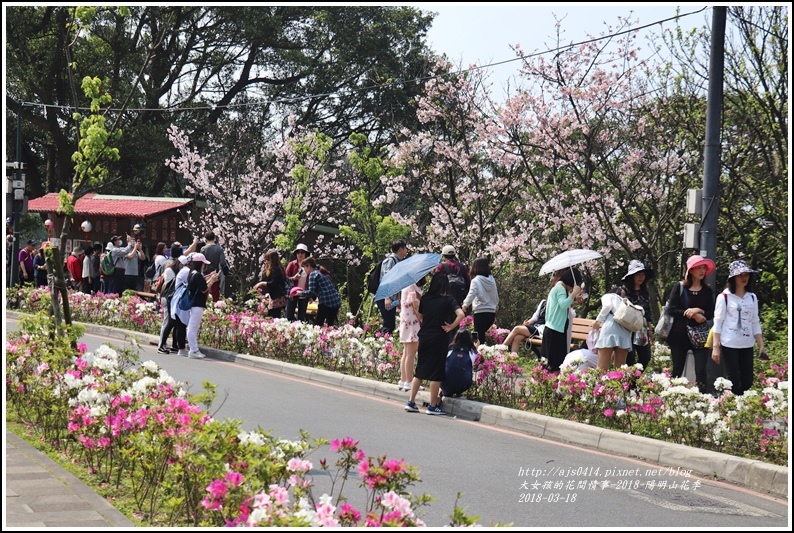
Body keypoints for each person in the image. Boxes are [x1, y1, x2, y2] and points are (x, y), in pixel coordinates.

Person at [405, 272, 464, 416]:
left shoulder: (426, 298)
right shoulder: (449, 299)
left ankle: (411, 402)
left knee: (420, 370)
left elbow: (421, 316)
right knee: (436, 372)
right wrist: (451, 326)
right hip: (440, 337)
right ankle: (432, 406)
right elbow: (461, 314)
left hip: (424, 336)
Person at [712, 260, 766, 395]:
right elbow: (718, 323)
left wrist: (761, 346)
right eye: (740, 275)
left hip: (747, 344)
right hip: (729, 343)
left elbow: (755, 322)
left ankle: (740, 406)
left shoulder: (752, 297)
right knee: (733, 381)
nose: (744, 278)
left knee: (747, 381)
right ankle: (731, 409)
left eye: (746, 275)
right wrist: (715, 347)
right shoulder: (724, 297)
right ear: (733, 278)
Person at [666, 255, 716, 394]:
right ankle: (672, 397)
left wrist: (699, 311)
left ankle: (703, 399)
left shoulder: (707, 290)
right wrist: (691, 314)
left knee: (701, 369)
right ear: (691, 270)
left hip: (699, 335)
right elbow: (671, 310)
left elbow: (711, 312)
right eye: (698, 268)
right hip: (679, 335)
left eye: (703, 268)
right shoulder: (680, 287)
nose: (701, 271)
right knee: (677, 368)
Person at [540, 267, 583, 372]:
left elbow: (561, 306)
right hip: (554, 330)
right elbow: (563, 305)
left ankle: (547, 384)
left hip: (555, 329)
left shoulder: (560, 288)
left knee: (551, 363)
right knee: (553, 365)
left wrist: (574, 300)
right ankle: (550, 385)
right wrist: (573, 294)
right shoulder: (560, 288)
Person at [621, 260, 655, 369]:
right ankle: (630, 384)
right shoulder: (624, 291)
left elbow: (647, 310)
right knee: (629, 359)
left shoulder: (645, 291)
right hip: (628, 329)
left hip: (642, 328)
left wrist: (649, 328)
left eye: (643, 274)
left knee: (645, 357)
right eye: (638, 274)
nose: (641, 277)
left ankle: (635, 380)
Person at [184, 252, 219, 359]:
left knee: (192, 327)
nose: (205, 265)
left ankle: (193, 349)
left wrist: (209, 278)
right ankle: (193, 350)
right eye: (203, 263)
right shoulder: (198, 275)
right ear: (200, 264)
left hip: (193, 303)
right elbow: (204, 289)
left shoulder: (192, 273)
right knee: (193, 327)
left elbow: (201, 285)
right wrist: (212, 280)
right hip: (197, 303)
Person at [591, 285, 633, 371]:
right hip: (625, 333)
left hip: (610, 330)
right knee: (620, 371)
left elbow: (607, 306)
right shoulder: (627, 302)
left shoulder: (609, 296)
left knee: (601, 369)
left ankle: (600, 384)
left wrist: (598, 321)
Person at [461, 257, 499, 344]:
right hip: (491, 312)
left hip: (480, 311)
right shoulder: (492, 280)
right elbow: (495, 295)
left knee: (477, 336)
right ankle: (483, 352)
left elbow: (472, 294)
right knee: (481, 335)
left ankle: (478, 354)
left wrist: (465, 304)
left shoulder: (476, 280)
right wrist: (495, 306)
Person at [397, 277, 426, 391]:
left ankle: (403, 380)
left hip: (406, 322)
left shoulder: (406, 285)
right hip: (413, 323)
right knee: (411, 354)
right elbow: (415, 305)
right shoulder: (412, 287)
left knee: (406, 353)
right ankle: (409, 381)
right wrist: (421, 318)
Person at [376, 239, 408, 334]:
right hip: (385, 297)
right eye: (405, 248)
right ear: (400, 249)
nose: (406, 250)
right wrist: (387, 297)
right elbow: (386, 279)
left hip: (392, 298)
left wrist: (398, 298)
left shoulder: (398, 262)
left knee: (391, 324)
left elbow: (397, 282)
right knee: (388, 325)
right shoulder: (390, 261)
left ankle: (386, 345)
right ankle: (384, 346)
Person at [156, 243, 182, 354]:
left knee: (173, 321)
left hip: (170, 297)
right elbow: (170, 285)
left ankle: (173, 345)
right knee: (168, 321)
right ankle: (161, 345)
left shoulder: (167, 265)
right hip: (168, 297)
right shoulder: (170, 268)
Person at [301, 256, 342, 326]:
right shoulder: (321, 272)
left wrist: (300, 293)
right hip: (336, 301)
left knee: (318, 326)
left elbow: (311, 292)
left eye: (304, 267)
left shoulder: (313, 274)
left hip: (326, 302)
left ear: (309, 266)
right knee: (330, 326)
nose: (304, 269)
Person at [440, 328, 479, 399]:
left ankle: (446, 391)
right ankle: (458, 392)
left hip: (446, 384)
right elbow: (476, 361)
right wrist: (476, 347)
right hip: (464, 384)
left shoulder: (450, 349)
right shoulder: (473, 352)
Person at [254, 249, 288, 318]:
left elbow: (273, 283)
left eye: (268, 260)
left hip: (277, 297)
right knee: (272, 316)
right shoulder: (276, 268)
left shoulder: (276, 270)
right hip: (275, 296)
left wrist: (261, 283)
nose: (266, 262)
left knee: (273, 316)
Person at [200, 231, 228, 302]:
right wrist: (226, 271)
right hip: (215, 274)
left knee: (205, 292)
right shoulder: (219, 249)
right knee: (215, 294)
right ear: (214, 238)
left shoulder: (203, 249)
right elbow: (222, 262)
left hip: (205, 274)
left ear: (205, 239)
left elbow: (201, 262)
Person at [285, 244, 310, 321]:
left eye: (302, 252)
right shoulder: (292, 264)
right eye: (298, 252)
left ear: (305, 254)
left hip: (304, 293)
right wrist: (293, 278)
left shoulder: (309, 266)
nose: (300, 254)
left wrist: (311, 295)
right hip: (293, 293)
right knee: (289, 315)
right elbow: (285, 278)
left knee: (301, 317)